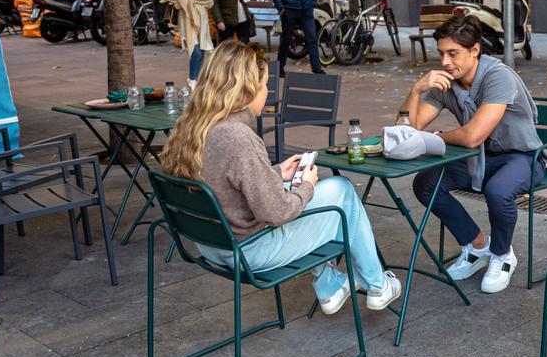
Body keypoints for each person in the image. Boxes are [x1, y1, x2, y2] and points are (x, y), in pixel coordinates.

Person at [160, 40, 402, 315]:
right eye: (264, 84)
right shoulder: (237, 137)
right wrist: (308, 186)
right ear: (247, 88)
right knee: (342, 193)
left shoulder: (193, 127)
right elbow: (277, 212)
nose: (267, 91)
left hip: (210, 244)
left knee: (307, 191)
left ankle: (332, 285)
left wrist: (276, 173)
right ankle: (377, 284)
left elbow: (226, 183)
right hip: (249, 251)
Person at [399, 14, 544, 294]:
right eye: (441, 53)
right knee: (426, 183)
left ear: (475, 50)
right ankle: (477, 246)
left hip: (524, 157)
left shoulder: (497, 76)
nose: (445, 62)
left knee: (498, 190)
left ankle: (502, 255)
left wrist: (436, 138)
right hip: (482, 158)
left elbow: (473, 135)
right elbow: (406, 129)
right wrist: (416, 89)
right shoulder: (445, 83)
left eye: (453, 53)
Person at [171, 0, 214, 88]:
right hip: (189, 21)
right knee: (195, 50)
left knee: (203, 50)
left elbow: (209, 0)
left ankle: (201, 80)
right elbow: (177, 1)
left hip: (203, 21)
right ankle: (193, 80)